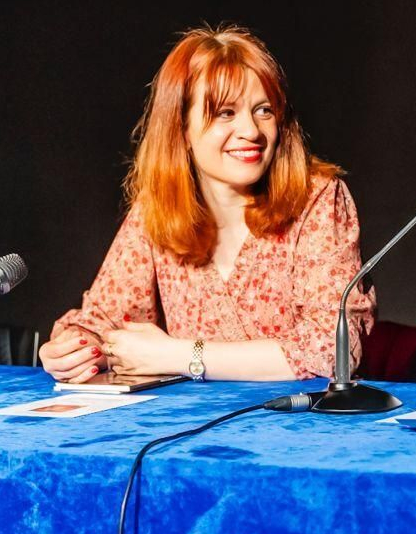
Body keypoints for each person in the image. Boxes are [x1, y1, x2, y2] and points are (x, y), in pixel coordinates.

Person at [40, 25, 373, 383]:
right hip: (192, 430)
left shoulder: (318, 198)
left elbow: (333, 350)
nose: (251, 131)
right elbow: (102, 322)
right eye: (226, 113)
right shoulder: (158, 208)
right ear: (181, 128)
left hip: (300, 428)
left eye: (264, 110)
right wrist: (73, 350)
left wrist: (180, 355)